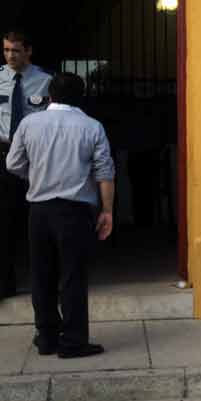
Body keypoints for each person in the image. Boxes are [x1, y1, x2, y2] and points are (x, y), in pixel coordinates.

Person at [6, 72, 115, 358]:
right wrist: (107, 210)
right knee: (73, 277)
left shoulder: (30, 123)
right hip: (75, 211)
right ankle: (74, 341)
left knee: (41, 275)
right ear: (82, 97)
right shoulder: (92, 126)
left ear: (50, 95)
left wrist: (38, 176)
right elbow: (104, 172)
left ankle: (47, 338)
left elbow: (13, 163)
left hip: (39, 211)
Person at [0, 30, 52, 300]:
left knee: (36, 219)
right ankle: (4, 283)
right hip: (2, 153)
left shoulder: (45, 82)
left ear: (28, 51)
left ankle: (42, 283)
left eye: (16, 51)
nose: (10, 56)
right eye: (7, 50)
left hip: (34, 158)